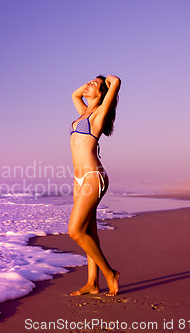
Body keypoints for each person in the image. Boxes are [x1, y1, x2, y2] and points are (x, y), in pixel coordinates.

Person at [68, 74, 121, 296]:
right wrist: (94, 83)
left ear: (102, 94)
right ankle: (92, 283)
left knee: (75, 231)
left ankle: (110, 273)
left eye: (94, 85)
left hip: (93, 175)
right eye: (88, 82)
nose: (88, 85)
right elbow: (74, 93)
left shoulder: (99, 113)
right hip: (78, 179)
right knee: (89, 231)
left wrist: (105, 82)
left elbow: (116, 81)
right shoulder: (84, 113)